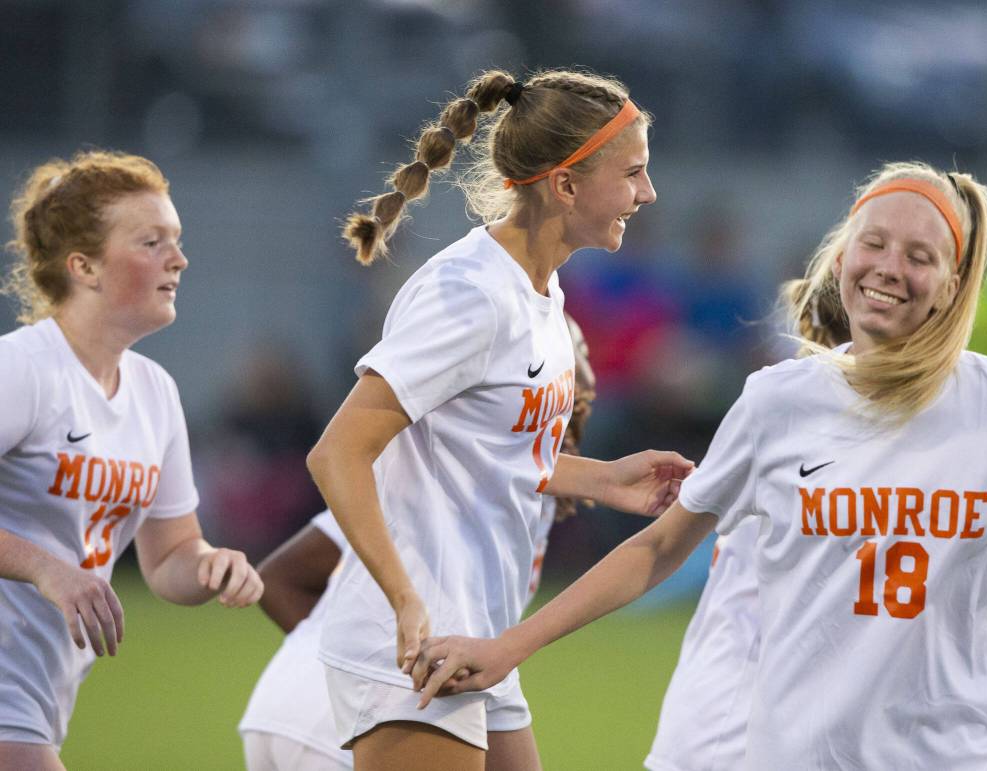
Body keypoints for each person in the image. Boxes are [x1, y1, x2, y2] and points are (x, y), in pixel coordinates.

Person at [412, 162, 987, 770]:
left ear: (951, 285)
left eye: (921, 256)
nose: (890, 267)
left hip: (969, 754)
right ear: (841, 259)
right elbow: (657, 550)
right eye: (875, 243)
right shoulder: (779, 402)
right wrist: (507, 648)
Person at [306, 68, 689, 771]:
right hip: (416, 647)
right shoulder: (469, 293)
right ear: (565, 185)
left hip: (481, 631)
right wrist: (405, 601)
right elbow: (337, 452)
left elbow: (489, 447)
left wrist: (603, 479)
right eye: (632, 172)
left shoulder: (542, 292)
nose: (647, 192)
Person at [239, 312, 596, 771]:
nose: (579, 360)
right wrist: (340, 672)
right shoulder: (445, 473)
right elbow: (281, 577)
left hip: (314, 708)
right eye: (571, 347)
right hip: (357, 713)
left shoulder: (515, 483)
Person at [0, 150, 264, 770]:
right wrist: (47, 569)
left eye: (177, 240)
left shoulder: (154, 391)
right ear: (83, 266)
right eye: (152, 241)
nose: (179, 258)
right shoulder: (23, 370)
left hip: (36, 701)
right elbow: (52, 565)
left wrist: (210, 566)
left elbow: (169, 557)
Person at [644, 293, 850, 771]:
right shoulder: (797, 443)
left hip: (733, 710)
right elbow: (660, 546)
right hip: (735, 720)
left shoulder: (795, 438)